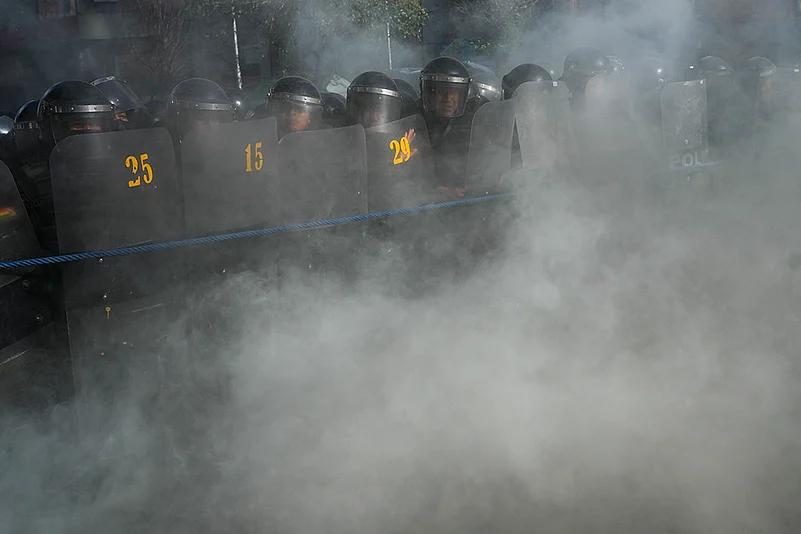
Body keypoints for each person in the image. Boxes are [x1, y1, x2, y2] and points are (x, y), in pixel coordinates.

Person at [419, 56, 473, 198]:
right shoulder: (415, 125)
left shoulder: (470, 125)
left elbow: (484, 165)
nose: (448, 98)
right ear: (429, 94)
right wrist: (435, 189)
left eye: (454, 92)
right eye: (442, 91)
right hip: (424, 205)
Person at [167, 78, 233, 143]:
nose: (210, 126)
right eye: (202, 119)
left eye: (214, 119)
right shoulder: (166, 152)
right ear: (184, 122)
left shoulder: (233, 151)